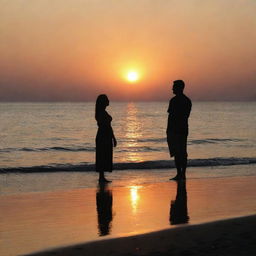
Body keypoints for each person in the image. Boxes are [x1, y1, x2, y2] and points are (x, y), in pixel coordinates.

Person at [167, 80, 192, 180]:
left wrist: (168, 129)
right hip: (183, 129)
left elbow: (171, 116)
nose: (172, 88)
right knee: (181, 152)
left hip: (176, 129)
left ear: (179, 88)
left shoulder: (174, 101)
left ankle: (180, 174)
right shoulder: (187, 100)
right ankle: (182, 174)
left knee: (178, 153)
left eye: (174, 87)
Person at [95, 94, 117, 183]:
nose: (109, 101)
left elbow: (109, 126)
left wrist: (113, 137)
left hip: (105, 135)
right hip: (103, 136)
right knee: (102, 155)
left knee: (104, 155)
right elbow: (106, 126)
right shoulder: (101, 113)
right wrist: (112, 137)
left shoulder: (102, 112)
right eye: (107, 99)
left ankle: (102, 177)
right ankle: (101, 177)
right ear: (103, 102)